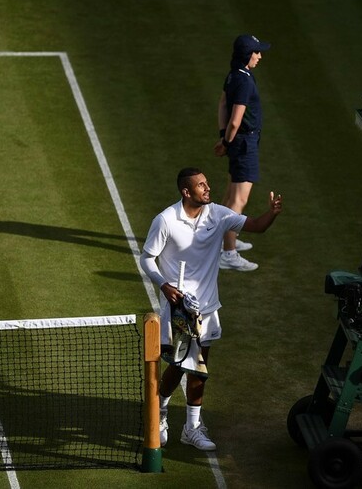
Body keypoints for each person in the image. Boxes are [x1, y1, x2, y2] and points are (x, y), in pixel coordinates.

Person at [140, 167, 282, 451]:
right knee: (178, 366)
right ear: (186, 192)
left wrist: (273, 213)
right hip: (178, 309)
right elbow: (147, 258)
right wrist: (164, 285)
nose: (208, 188)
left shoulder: (218, 214)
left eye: (207, 183)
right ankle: (160, 414)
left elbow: (256, 226)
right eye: (201, 185)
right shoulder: (166, 220)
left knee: (199, 368)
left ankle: (191, 428)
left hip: (207, 308)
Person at [214, 34, 271, 271]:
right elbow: (236, 120)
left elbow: (222, 104)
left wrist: (223, 137)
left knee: (230, 196)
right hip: (244, 144)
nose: (260, 56)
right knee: (238, 201)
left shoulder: (234, 74)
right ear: (247, 55)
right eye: (256, 52)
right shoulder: (245, 81)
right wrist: (227, 142)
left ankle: (221, 240)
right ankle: (228, 253)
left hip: (239, 143)